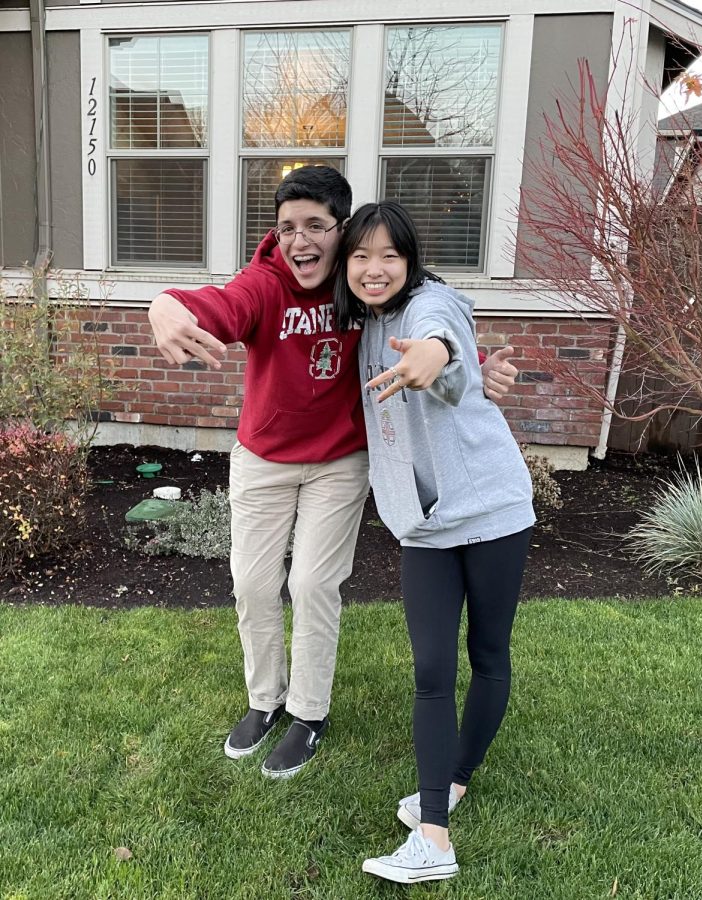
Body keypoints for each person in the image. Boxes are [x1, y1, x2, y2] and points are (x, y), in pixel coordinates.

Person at [148, 166, 518, 779]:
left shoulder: (359, 284)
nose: (301, 241)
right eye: (288, 227)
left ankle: (308, 713)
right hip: (264, 459)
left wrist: (472, 363)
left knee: (315, 584)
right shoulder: (265, 284)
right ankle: (265, 700)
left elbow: (418, 323)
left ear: (340, 230)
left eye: (316, 226)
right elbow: (222, 304)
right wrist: (166, 304)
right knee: (254, 583)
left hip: (339, 463)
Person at [333, 200, 535, 884]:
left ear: (411, 261)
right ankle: (438, 810)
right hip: (424, 529)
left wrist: (440, 355)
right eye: (361, 255)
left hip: (494, 508)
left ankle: (440, 813)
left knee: (488, 653)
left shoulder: (431, 305)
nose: (375, 268)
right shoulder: (364, 324)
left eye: (390, 254)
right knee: (429, 670)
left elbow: (438, 337)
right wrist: (475, 362)